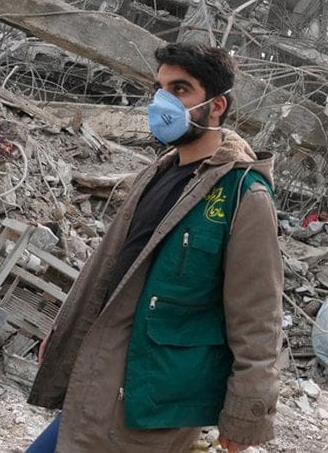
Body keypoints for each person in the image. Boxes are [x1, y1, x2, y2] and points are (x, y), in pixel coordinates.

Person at [25, 43, 283, 452]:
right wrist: (63, 333)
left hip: (156, 395)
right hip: (107, 369)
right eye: (159, 89)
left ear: (217, 106)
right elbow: (109, 267)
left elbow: (258, 317)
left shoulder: (243, 196)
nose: (163, 102)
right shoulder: (157, 174)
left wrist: (245, 416)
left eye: (180, 89)